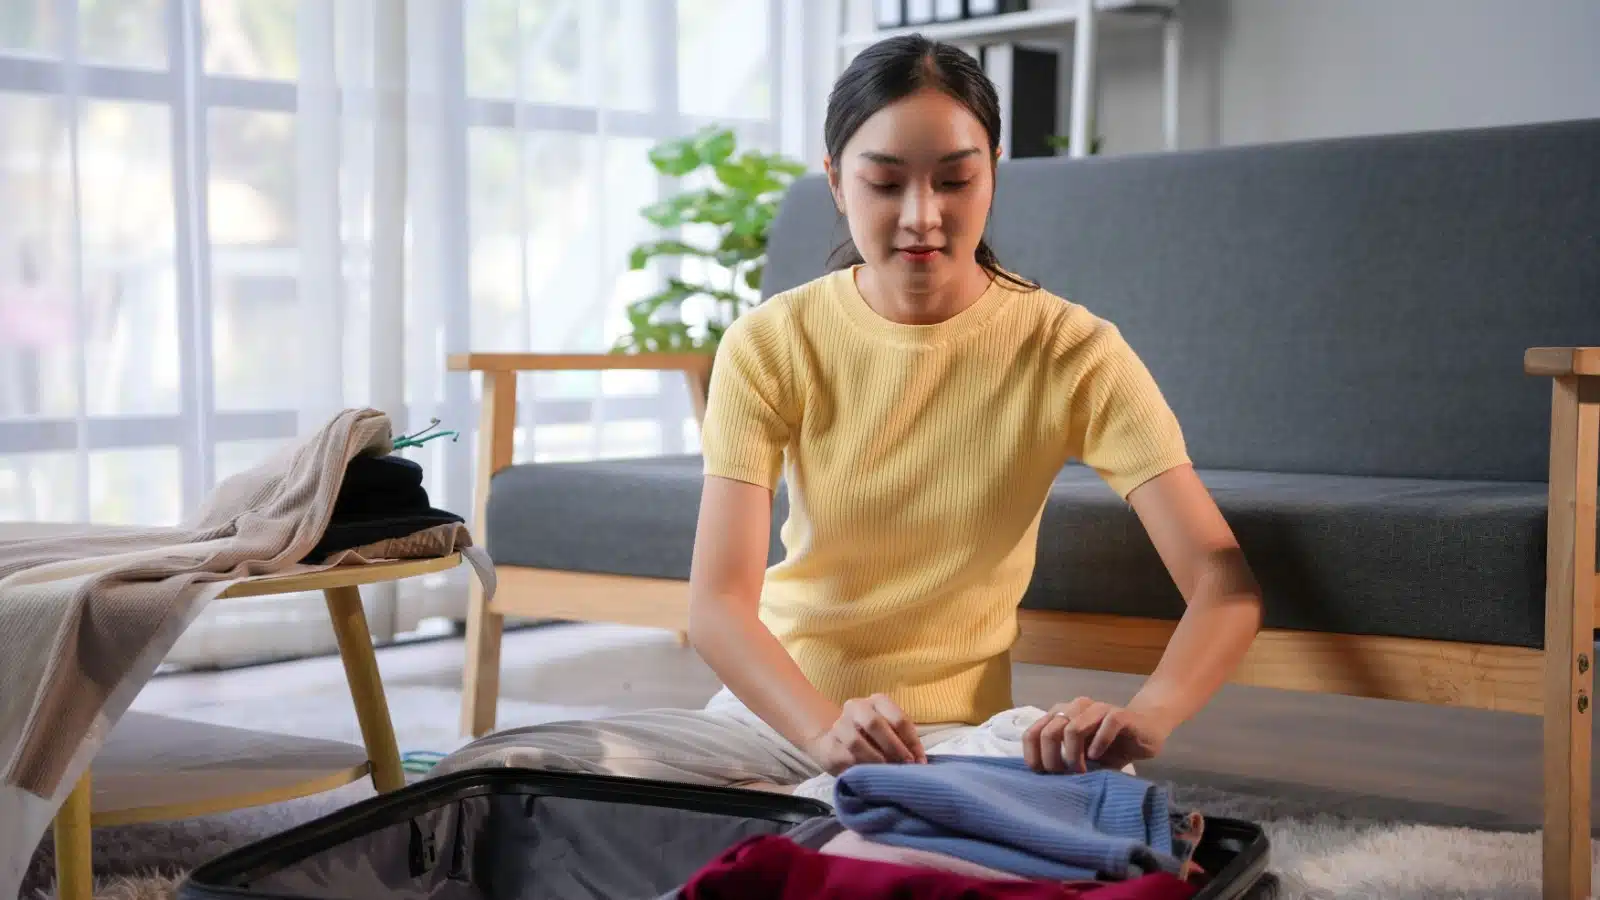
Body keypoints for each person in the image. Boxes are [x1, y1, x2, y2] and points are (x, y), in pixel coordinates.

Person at [433, 33, 1263, 798]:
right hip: (776, 720)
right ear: (835, 180)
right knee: (508, 773)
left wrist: (1149, 714)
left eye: (954, 178)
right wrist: (823, 730)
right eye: (885, 180)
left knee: (1069, 804)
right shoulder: (771, 341)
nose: (922, 216)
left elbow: (1223, 584)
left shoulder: (1071, 348)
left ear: (995, 172)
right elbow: (718, 604)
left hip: (959, 746)